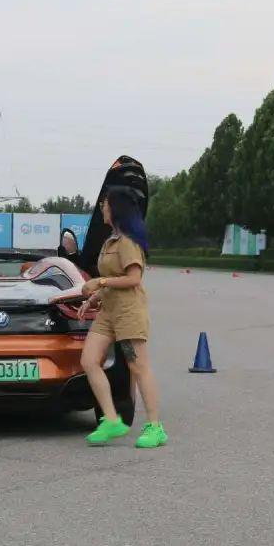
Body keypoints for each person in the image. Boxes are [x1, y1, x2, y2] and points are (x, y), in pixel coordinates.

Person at [77, 187, 167, 448]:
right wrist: (93, 299)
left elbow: (133, 279)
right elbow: (112, 280)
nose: (102, 208)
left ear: (116, 208)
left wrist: (99, 282)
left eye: (105, 204)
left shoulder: (128, 242)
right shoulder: (110, 242)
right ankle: (111, 419)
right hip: (108, 312)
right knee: (89, 361)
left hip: (128, 313)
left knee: (138, 367)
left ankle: (155, 427)